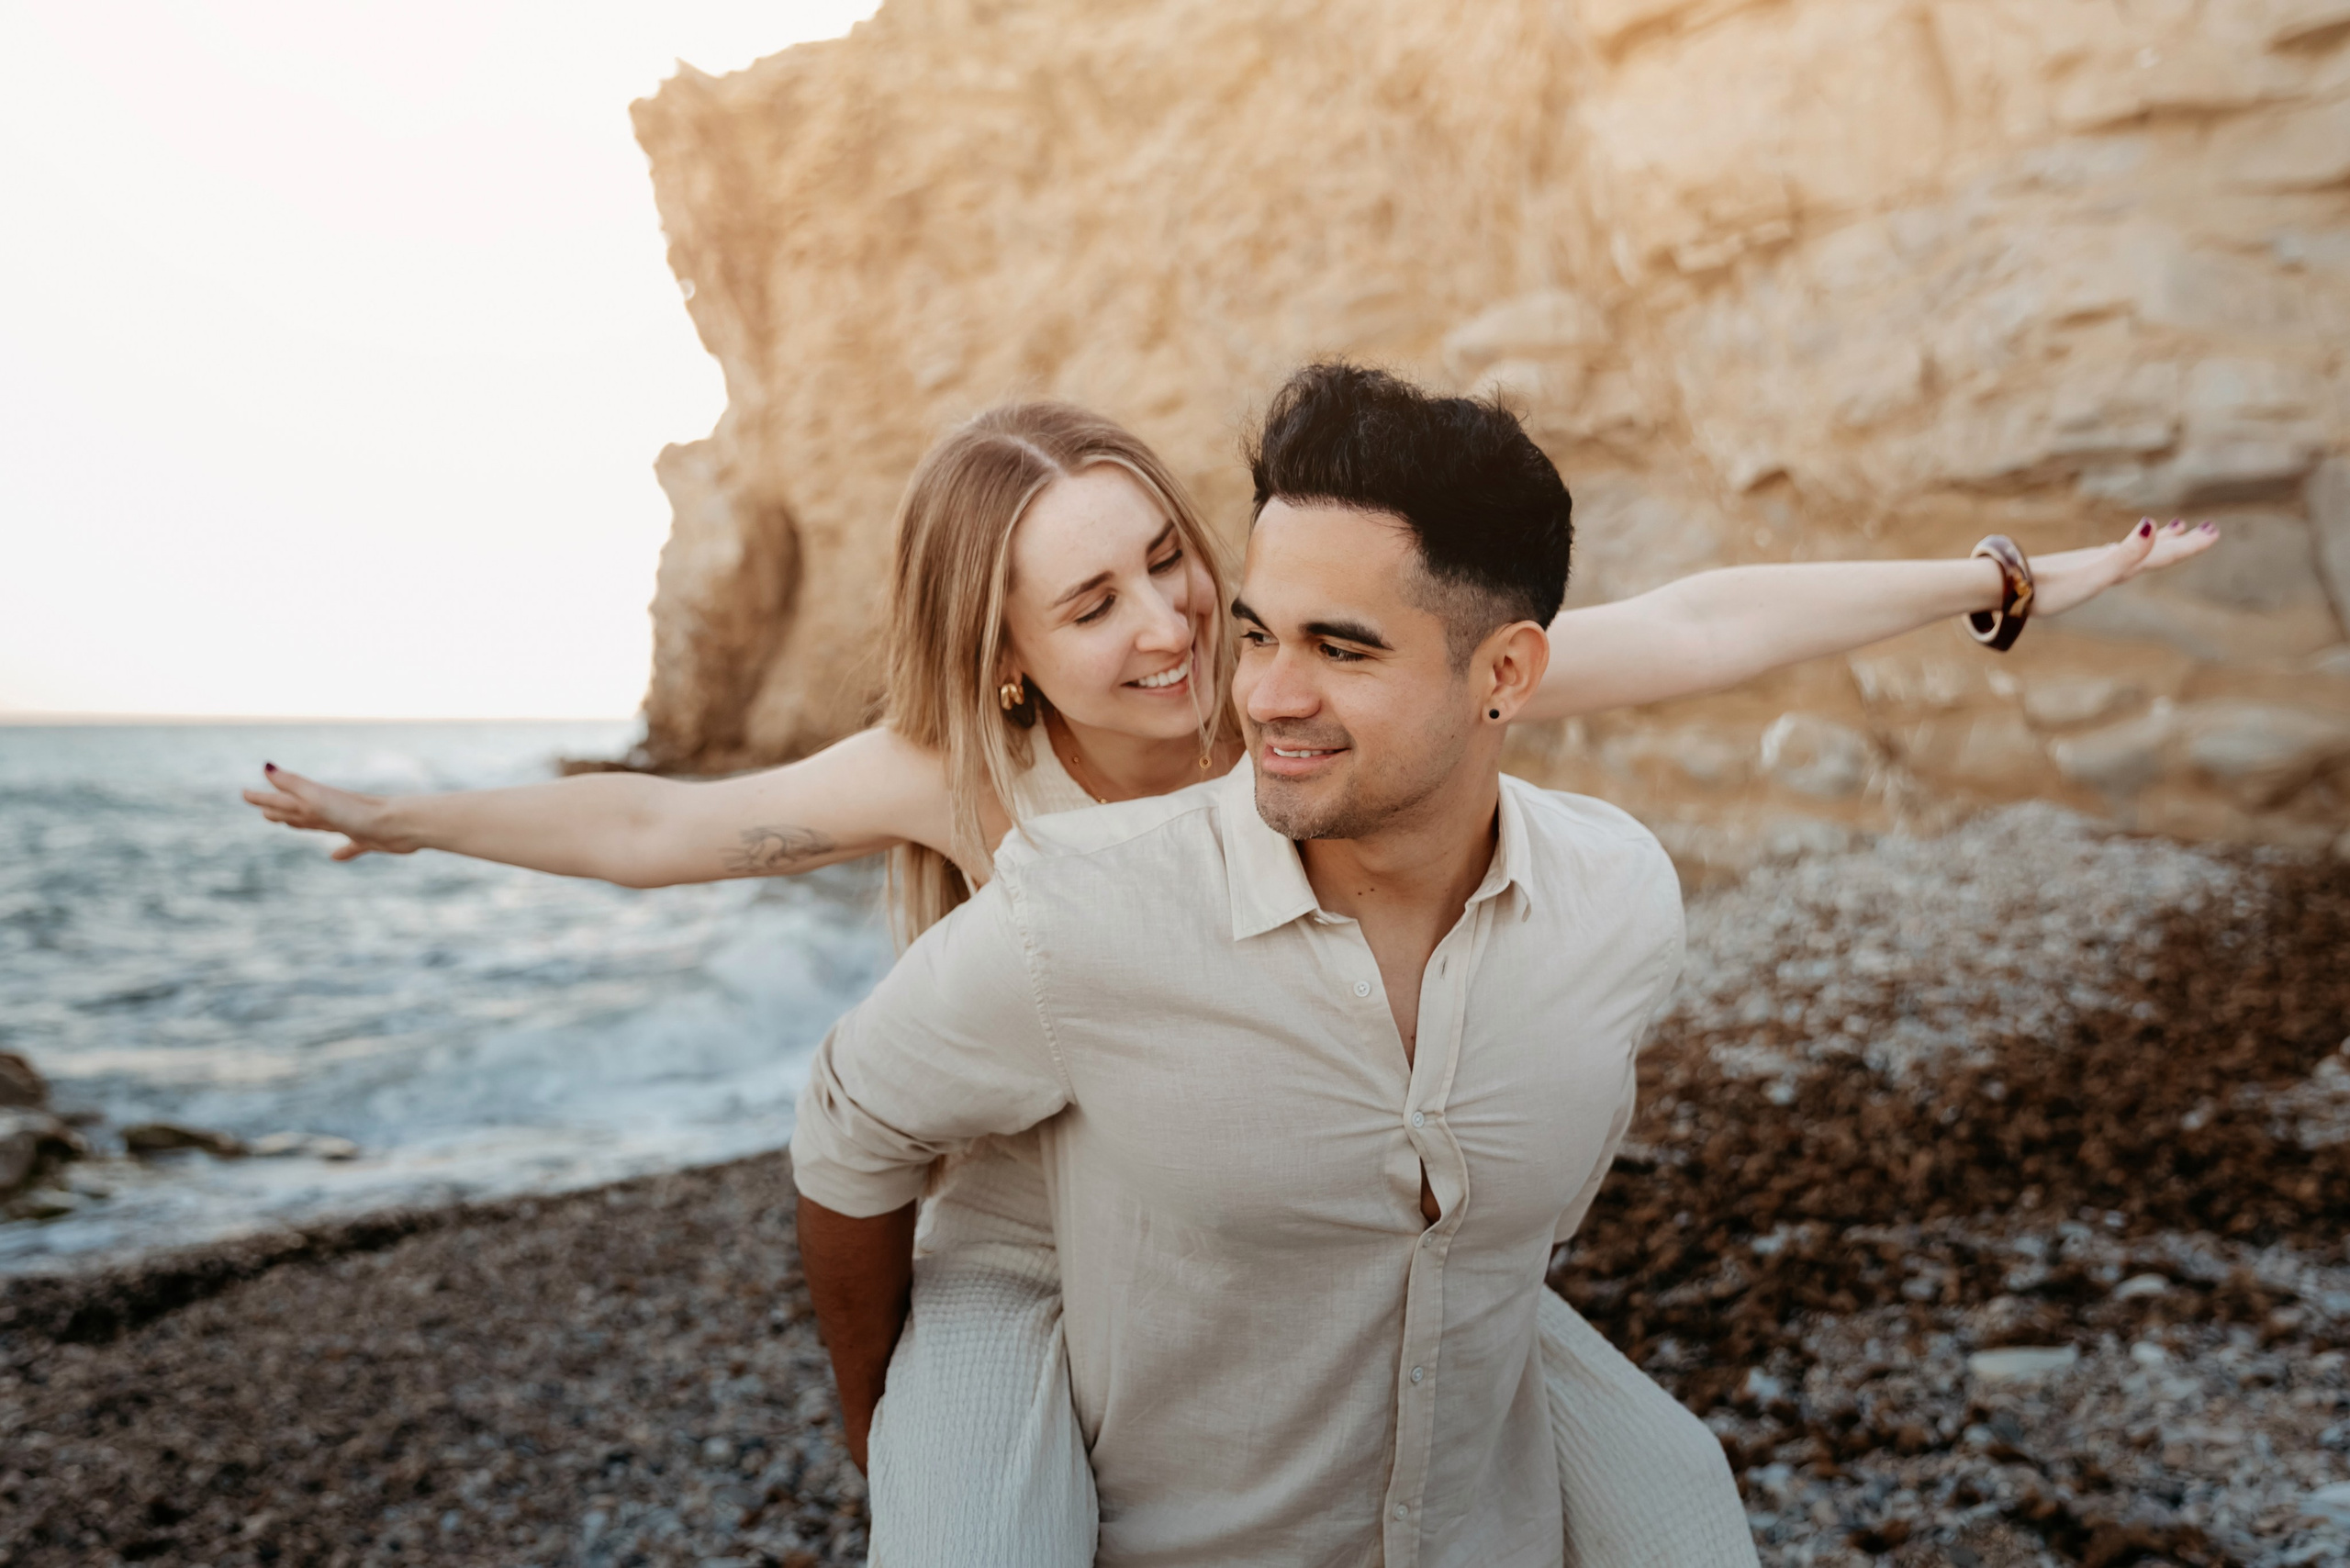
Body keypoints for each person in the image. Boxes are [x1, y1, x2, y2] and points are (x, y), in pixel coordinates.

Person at [245, 384, 2214, 1567]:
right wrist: (418, 821)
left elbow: (1695, 621)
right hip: (1035, 1240)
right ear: (1006, 652)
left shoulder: (1309, 700)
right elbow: (671, 827)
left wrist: (2003, 577)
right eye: (1092, 604)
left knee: (1673, 1489)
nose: (1174, 626)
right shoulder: (964, 766)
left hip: (1333, 1199)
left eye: (1171, 561)